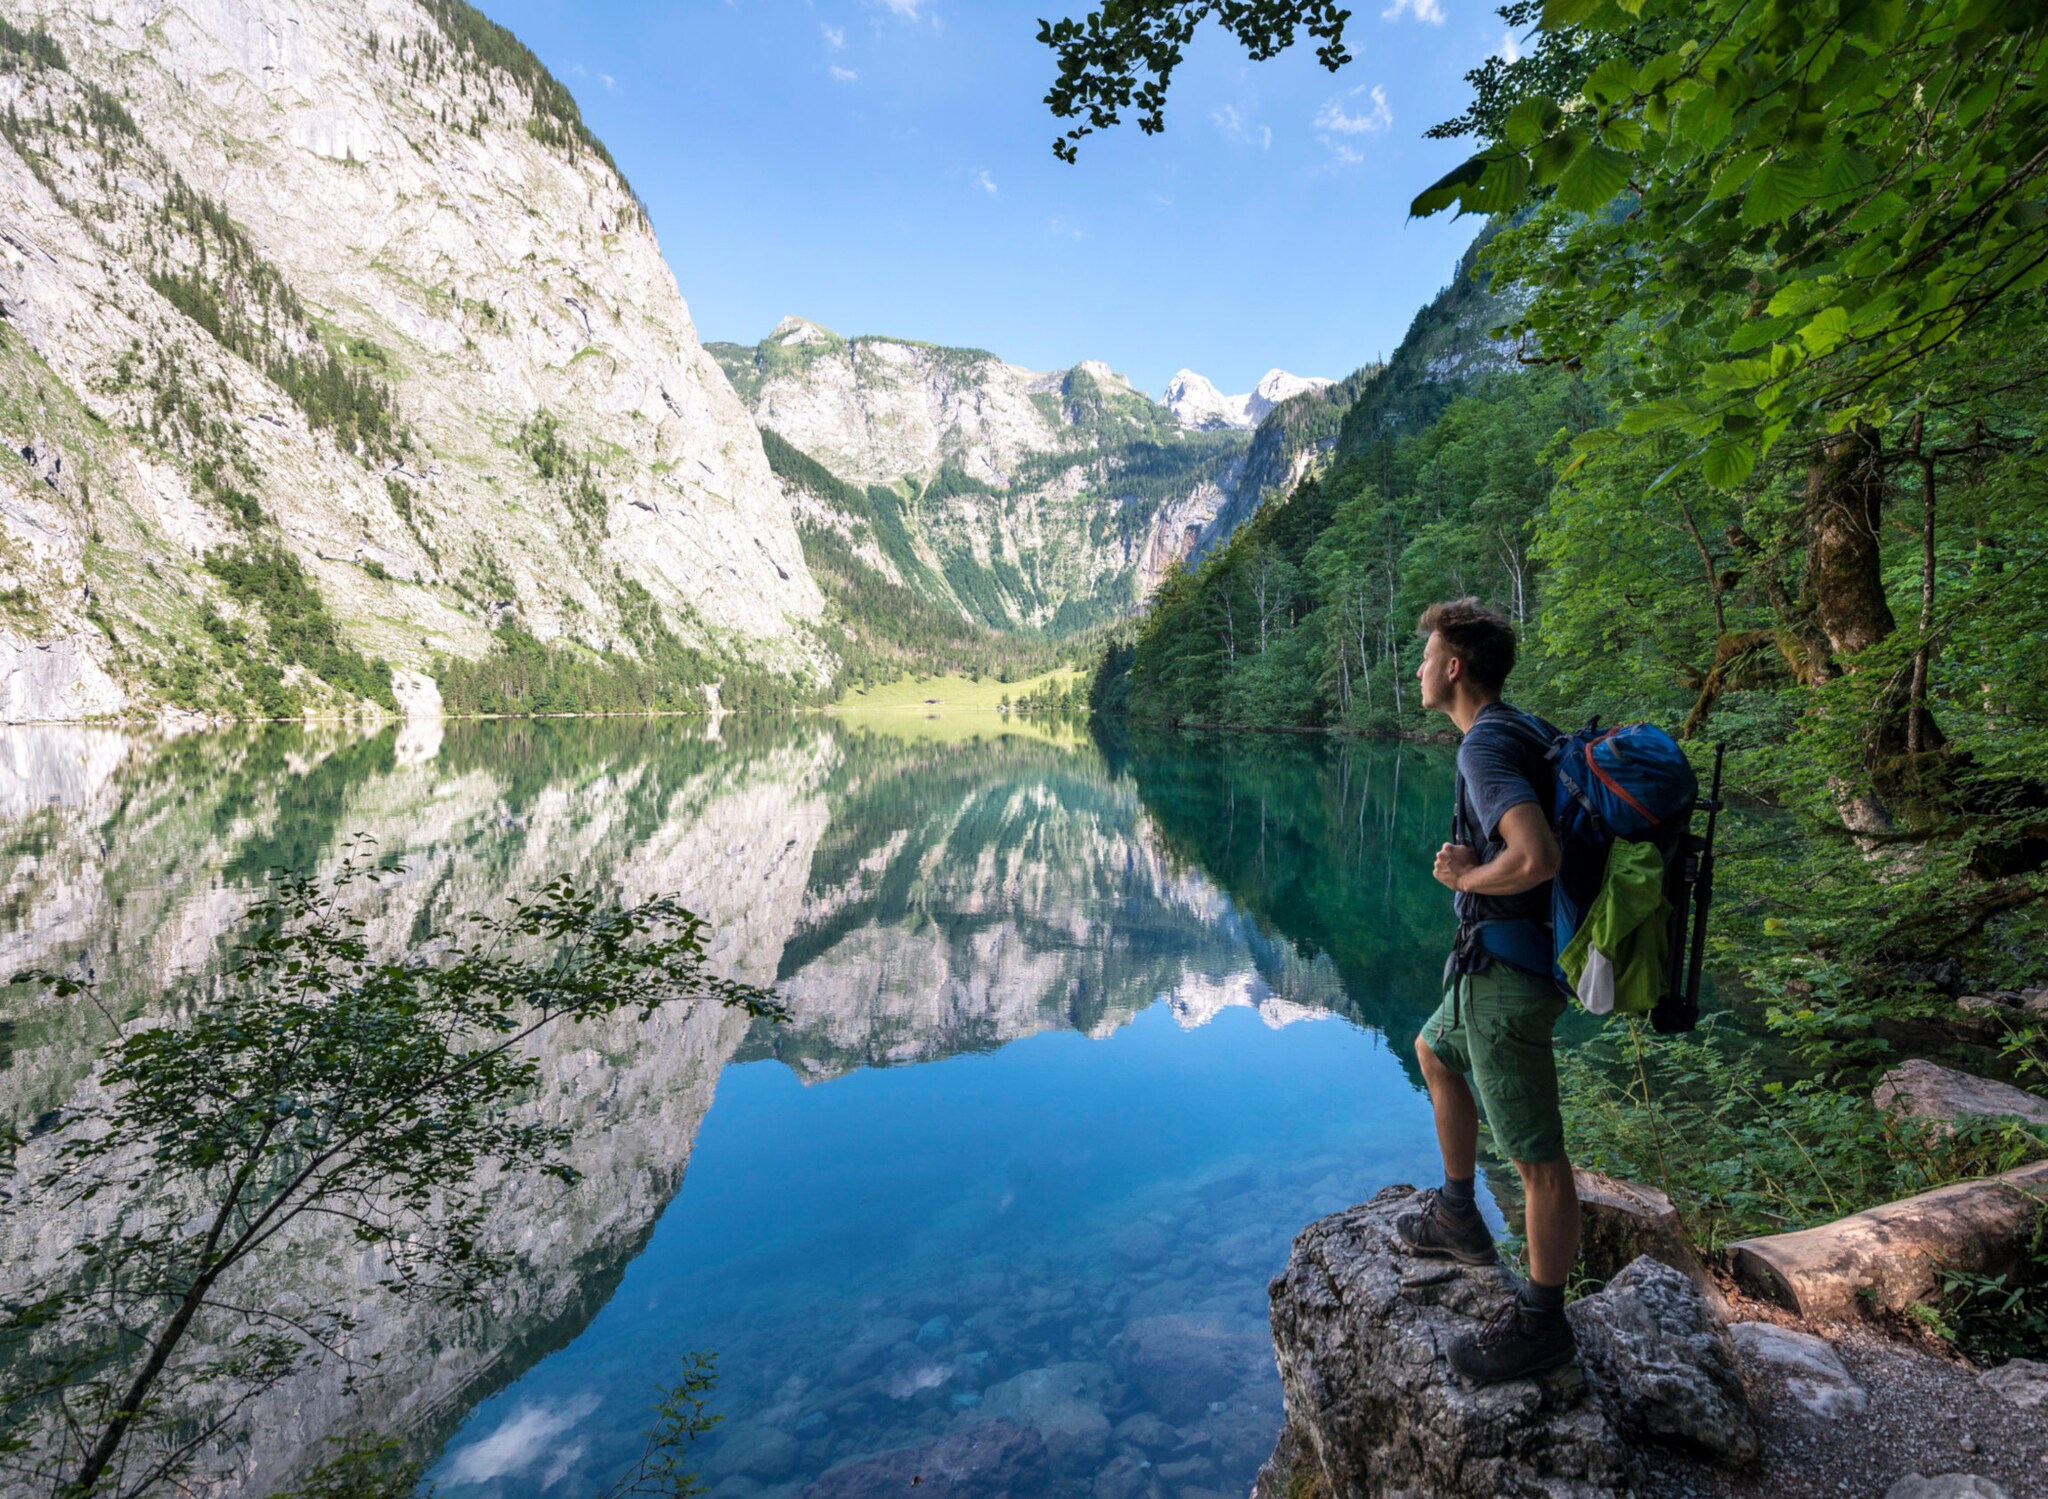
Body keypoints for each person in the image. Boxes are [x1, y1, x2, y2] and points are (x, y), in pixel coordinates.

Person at [1395, 597, 1581, 1383]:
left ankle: (1543, 1322)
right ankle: (1459, 1214)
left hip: (1509, 976)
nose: (1417, 668)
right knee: (1433, 1049)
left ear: (1455, 666)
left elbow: (1535, 856)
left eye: (1426, 654)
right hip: (1493, 967)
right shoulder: (1517, 728)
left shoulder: (1484, 748)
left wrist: (1470, 873)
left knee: (1537, 1160)